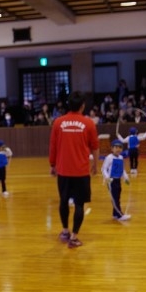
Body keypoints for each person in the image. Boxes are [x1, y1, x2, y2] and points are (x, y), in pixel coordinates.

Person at [48, 91, 99, 248]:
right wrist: (95, 165)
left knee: (63, 202)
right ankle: (74, 237)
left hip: (63, 171)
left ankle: (65, 231)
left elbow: (53, 146)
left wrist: (52, 164)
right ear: (82, 106)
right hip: (81, 172)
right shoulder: (89, 123)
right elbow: (95, 147)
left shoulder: (58, 122)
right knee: (79, 204)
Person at [101, 140, 131, 221]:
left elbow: (122, 169)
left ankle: (115, 214)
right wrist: (107, 177)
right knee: (114, 198)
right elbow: (103, 169)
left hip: (118, 180)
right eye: (116, 147)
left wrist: (126, 178)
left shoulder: (121, 157)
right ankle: (119, 215)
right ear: (112, 148)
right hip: (111, 181)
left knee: (117, 197)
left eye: (120, 147)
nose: (118, 149)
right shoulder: (109, 157)